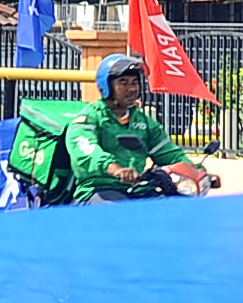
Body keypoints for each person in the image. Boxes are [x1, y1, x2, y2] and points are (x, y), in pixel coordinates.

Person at [65, 53, 215, 203]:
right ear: (106, 86)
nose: (131, 89)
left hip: (139, 189)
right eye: (123, 83)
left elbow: (170, 154)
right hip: (99, 190)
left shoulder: (144, 122)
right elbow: (87, 153)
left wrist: (196, 172)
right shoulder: (88, 120)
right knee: (119, 214)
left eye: (134, 82)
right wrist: (115, 169)